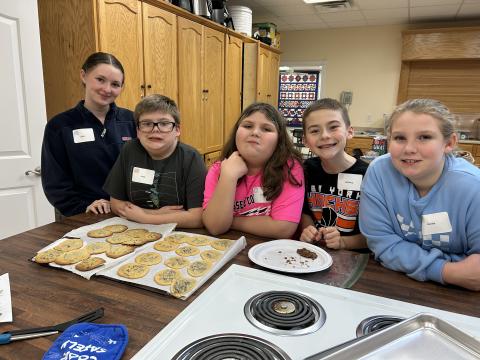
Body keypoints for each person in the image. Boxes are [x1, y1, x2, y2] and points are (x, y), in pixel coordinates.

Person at [359, 99, 480, 291]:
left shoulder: (473, 187)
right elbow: (381, 243)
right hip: (396, 286)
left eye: (424, 137)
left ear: (449, 143)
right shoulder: (379, 172)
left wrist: (405, 254)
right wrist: (446, 270)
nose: (409, 149)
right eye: (399, 138)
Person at [41, 52, 136, 216]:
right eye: (100, 80)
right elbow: (55, 182)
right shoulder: (60, 126)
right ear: (83, 76)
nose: (107, 89)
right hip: (83, 215)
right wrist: (83, 207)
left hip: (130, 212)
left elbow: (148, 166)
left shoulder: (132, 120)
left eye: (115, 84)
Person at [202, 102, 304, 239]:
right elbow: (215, 227)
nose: (255, 132)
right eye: (248, 126)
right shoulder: (218, 169)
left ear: (279, 140)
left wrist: (229, 221)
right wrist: (228, 176)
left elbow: (283, 228)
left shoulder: (290, 169)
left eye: (267, 129)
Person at [103, 94, 206, 228]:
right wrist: (154, 214)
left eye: (164, 123)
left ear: (177, 130)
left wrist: (145, 217)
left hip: (178, 235)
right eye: (147, 124)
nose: (155, 129)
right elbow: (116, 203)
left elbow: (198, 217)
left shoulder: (191, 158)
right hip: (134, 230)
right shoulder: (129, 150)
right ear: (138, 131)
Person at [299, 98, 368, 250]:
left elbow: (376, 236)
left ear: (349, 132)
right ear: (305, 140)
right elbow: (306, 212)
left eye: (333, 127)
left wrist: (343, 242)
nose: (324, 135)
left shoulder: (369, 175)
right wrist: (309, 231)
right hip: (317, 254)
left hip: (355, 257)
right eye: (315, 130)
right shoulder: (307, 169)